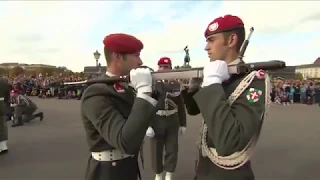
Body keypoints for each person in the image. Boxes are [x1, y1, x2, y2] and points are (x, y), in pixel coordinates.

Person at [181, 15, 271, 180]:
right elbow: (194, 110)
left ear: (231, 40)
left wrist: (212, 83)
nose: (206, 47)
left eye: (211, 40)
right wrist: (193, 89)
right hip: (203, 169)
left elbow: (229, 142)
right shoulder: (216, 75)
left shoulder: (252, 81)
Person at [81, 33, 159, 180]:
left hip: (128, 166)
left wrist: (156, 92)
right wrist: (143, 91)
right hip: (107, 172)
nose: (140, 61)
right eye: (136, 55)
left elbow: (142, 120)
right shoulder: (96, 93)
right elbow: (125, 142)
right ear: (118, 57)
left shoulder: (127, 86)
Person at [145, 57, 187, 180]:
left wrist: (183, 124)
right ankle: (158, 173)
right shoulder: (152, 84)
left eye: (166, 67)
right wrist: (147, 124)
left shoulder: (176, 84)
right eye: (161, 67)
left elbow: (180, 105)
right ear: (158, 68)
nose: (163, 69)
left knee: (172, 149)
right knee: (156, 150)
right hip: (156, 119)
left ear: (170, 68)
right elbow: (146, 106)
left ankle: (169, 173)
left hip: (172, 120)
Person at [0, 77, 10, 155]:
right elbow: (7, 96)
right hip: (2, 104)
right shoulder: (4, 82)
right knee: (2, 125)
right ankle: (3, 146)